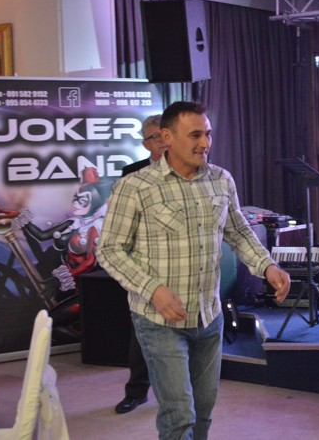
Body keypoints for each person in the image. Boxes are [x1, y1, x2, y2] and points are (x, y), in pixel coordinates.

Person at [98, 101, 291, 440]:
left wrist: (267, 266)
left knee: (203, 412)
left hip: (208, 316)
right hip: (159, 321)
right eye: (195, 135)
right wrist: (153, 290)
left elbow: (239, 232)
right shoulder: (136, 186)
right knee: (179, 416)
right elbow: (109, 250)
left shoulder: (221, 180)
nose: (205, 143)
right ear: (167, 137)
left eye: (208, 134)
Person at [114, 114, 167, 414]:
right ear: (146, 144)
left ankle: (182, 391)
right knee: (141, 331)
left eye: (165, 135)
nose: (162, 142)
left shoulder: (193, 170)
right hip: (144, 266)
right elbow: (121, 223)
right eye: (155, 137)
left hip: (184, 262)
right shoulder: (131, 174)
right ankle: (136, 391)